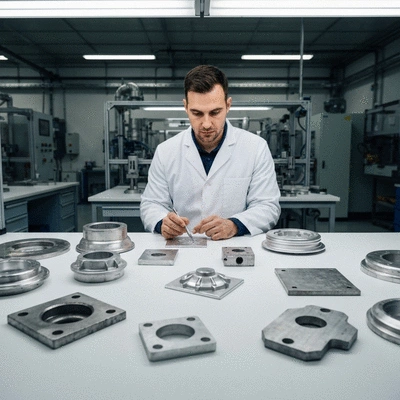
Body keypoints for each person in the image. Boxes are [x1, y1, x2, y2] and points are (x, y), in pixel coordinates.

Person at [140, 65, 281, 240]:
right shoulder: (166, 151)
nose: (206, 124)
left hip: (234, 247)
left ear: (228, 105)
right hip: (183, 245)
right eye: (197, 113)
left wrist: (234, 225)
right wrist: (163, 222)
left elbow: (267, 206)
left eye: (215, 112)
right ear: (185, 107)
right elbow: (151, 204)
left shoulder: (255, 148)